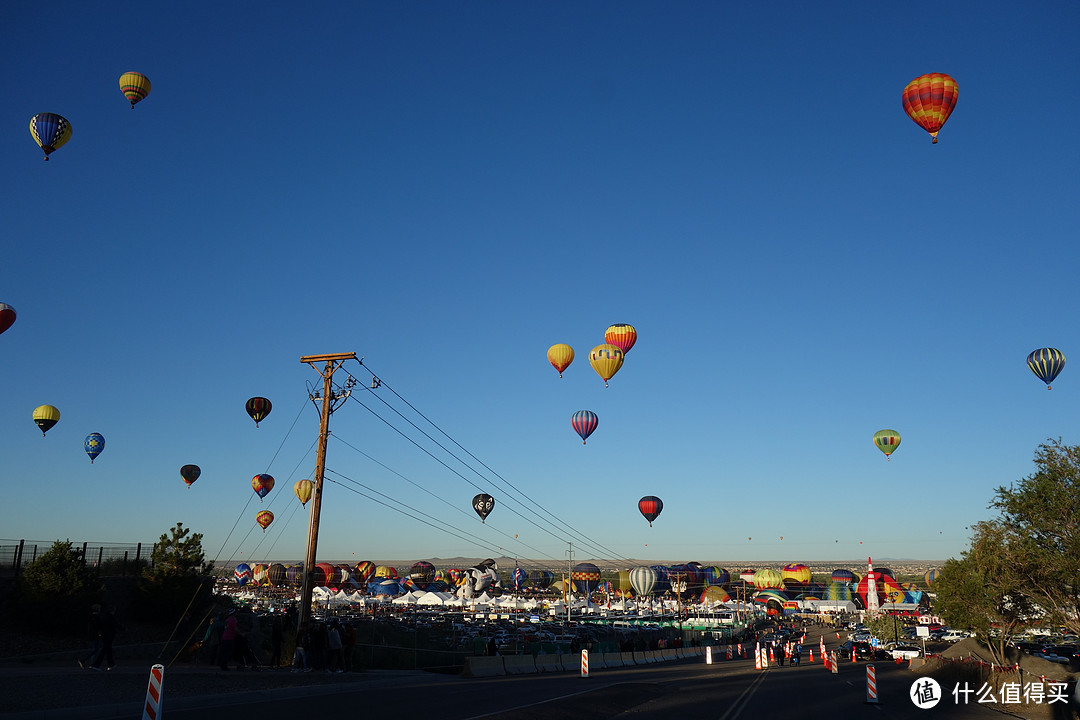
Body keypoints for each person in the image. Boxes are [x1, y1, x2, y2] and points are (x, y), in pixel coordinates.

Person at [89, 606, 123, 670]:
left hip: (104, 636)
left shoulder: (104, 617)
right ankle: (96, 665)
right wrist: (123, 629)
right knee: (105, 650)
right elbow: (115, 624)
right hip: (108, 636)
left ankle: (111, 664)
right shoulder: (110, 617)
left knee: (107, 650)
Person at [78, 604, 102, 669]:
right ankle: (85, 660)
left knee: (95, 649)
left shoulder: (91, 617)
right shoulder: (96, 617)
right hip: (95, 635)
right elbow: (98, 626)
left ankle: (91, 663)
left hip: (92, 635)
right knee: (95, 649)